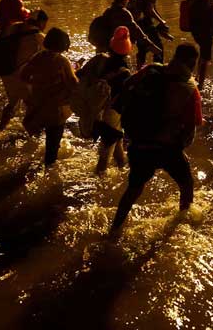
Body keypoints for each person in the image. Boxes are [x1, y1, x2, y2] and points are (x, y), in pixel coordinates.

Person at [110, 44, 202, 232]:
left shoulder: (150, 70)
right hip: (167, 148)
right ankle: (182, 227)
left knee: (134, 188)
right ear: (193, 63)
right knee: (186, 184)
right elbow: (191, 130)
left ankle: (114, 229)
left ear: (174, 56)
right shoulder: (190, 89)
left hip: (139, 143)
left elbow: (127, 87)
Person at [19, 28, 78, 167]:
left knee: (37, 136)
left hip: (38, 106)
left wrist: (38, 85)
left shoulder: (37, 57)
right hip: (55, 111)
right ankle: (49, 172)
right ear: (64, 46)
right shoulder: (62, 61)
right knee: (52, 149)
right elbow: (73, 84)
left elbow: (23, 76)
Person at [78, 27, 133, 173]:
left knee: (117, 141)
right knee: (106, 151)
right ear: (127, 49)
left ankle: (122, 166)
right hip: (112, 112)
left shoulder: (99, 59)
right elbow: (126, 97)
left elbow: (80, 74)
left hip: (95, 107)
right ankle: (99, 180)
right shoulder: (125, 71)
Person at [0, 9, 48, 130]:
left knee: (13, 103)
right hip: (20, 76)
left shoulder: (13, 27)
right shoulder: (38, 36)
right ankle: (29, 133)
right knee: (33, 105)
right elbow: (51, 55)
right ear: (40, 22)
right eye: (45, 23)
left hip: (6, 72)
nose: (45, 26)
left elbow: (1, 44)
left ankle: (0, 129)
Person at [133, 0, 172, 67]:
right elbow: (150, 10)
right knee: (159, 48)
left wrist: (160, 19)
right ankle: (157, 69)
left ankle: (138, 70)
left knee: (142, 48)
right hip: (147, 24)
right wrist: (160, 20)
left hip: (139, 24)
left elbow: (153, 9)